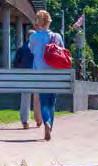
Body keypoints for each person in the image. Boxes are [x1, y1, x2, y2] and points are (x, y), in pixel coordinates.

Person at [29, 10, 64, 141]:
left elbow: (32, 51)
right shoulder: (57, 37)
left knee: (44, 101)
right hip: (54, 74)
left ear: (38, 22)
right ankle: (50, 125)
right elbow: (63, 53)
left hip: (40, 74)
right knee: (51, 103)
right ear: (49, 22)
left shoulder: (33, 37)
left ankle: (47, 122)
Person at [13, 30, 42, 130]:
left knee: (25, 97)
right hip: (37, 76)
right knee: (37, 97)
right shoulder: (38, 49)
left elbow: (15, 64)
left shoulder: (21, 49)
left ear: (26, 37)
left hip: (24, 77)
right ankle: (38, 119)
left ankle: (25, 121)